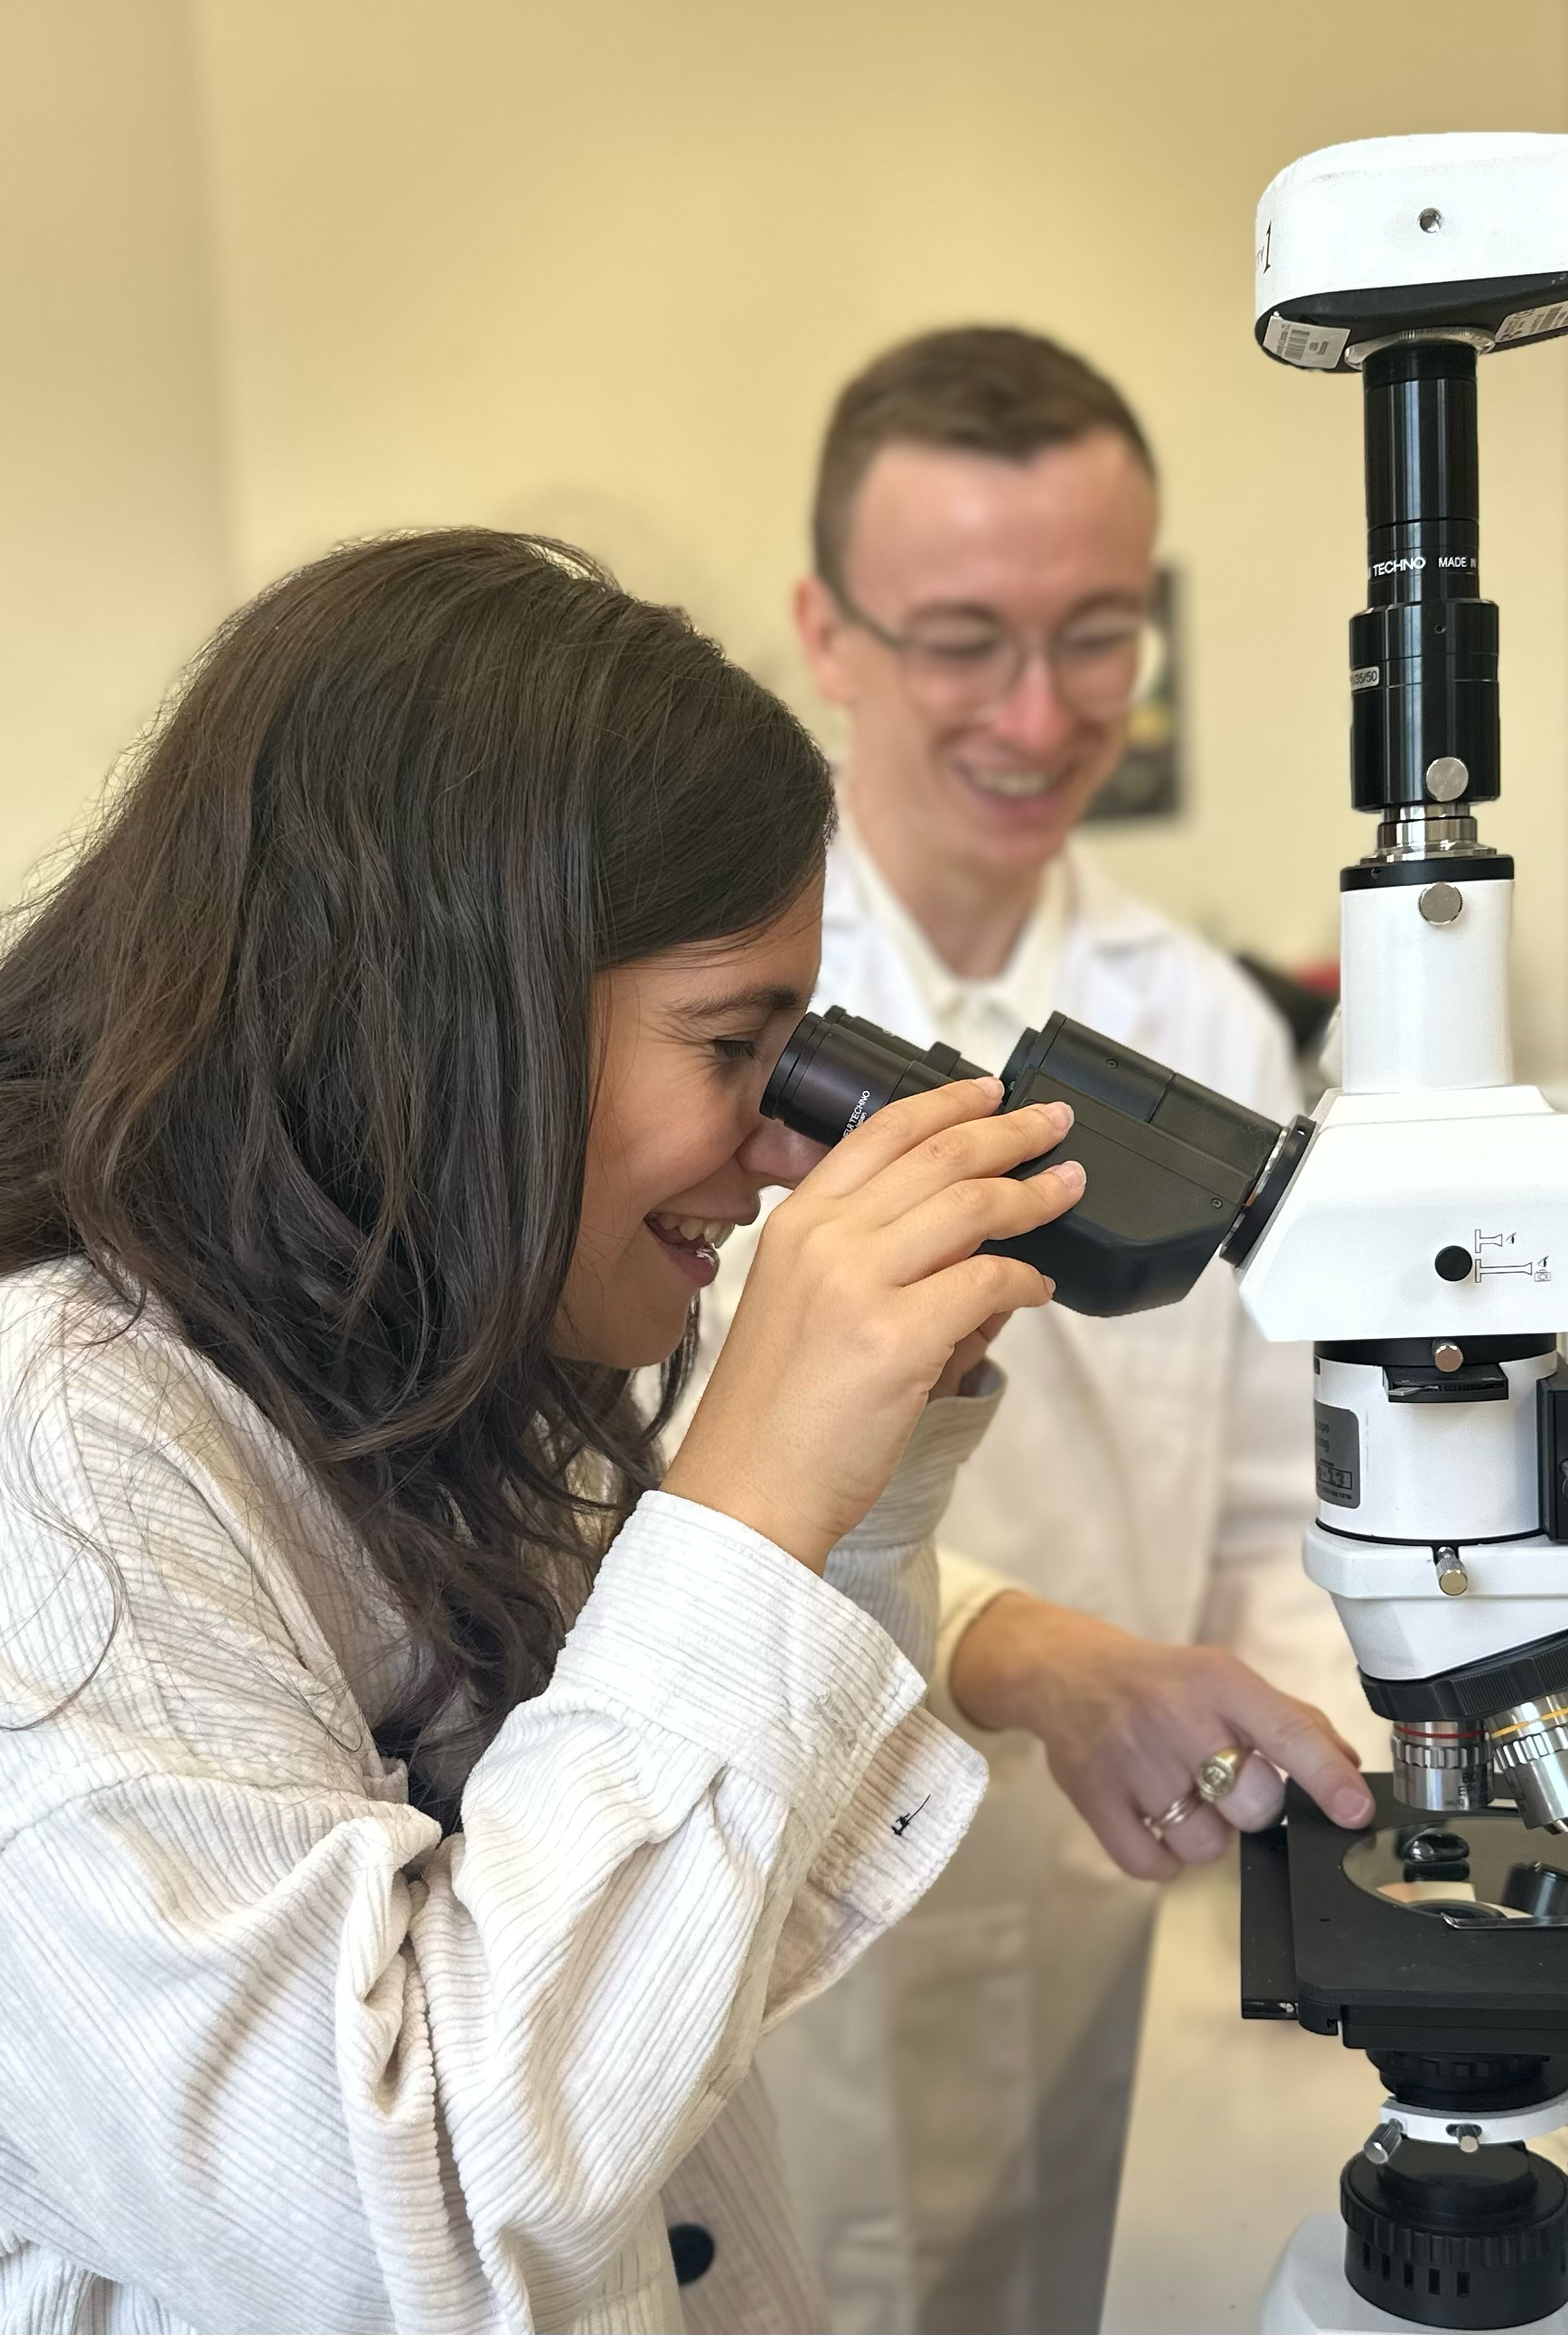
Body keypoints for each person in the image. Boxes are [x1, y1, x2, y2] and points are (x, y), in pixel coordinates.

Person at [0, 527, 1368, 2335]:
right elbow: (402, 2221)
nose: (778, 1140)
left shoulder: (404, 1351)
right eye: (739, 1047)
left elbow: (697, 1885)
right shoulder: (67, 1460)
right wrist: (745, 1494)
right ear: (444, 1019)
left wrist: (861, 1478)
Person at [681, 329, 1383, 2335]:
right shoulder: (716, 1027)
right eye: (962, 639)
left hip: (1115, 1895)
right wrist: (1040, 1654)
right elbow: (659, 1468)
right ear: (825, 628)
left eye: (1095, 634)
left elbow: (1272, 1492)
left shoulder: (1212, 1031)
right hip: (787, 1886)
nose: (1037, 710)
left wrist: (1301, 1759)